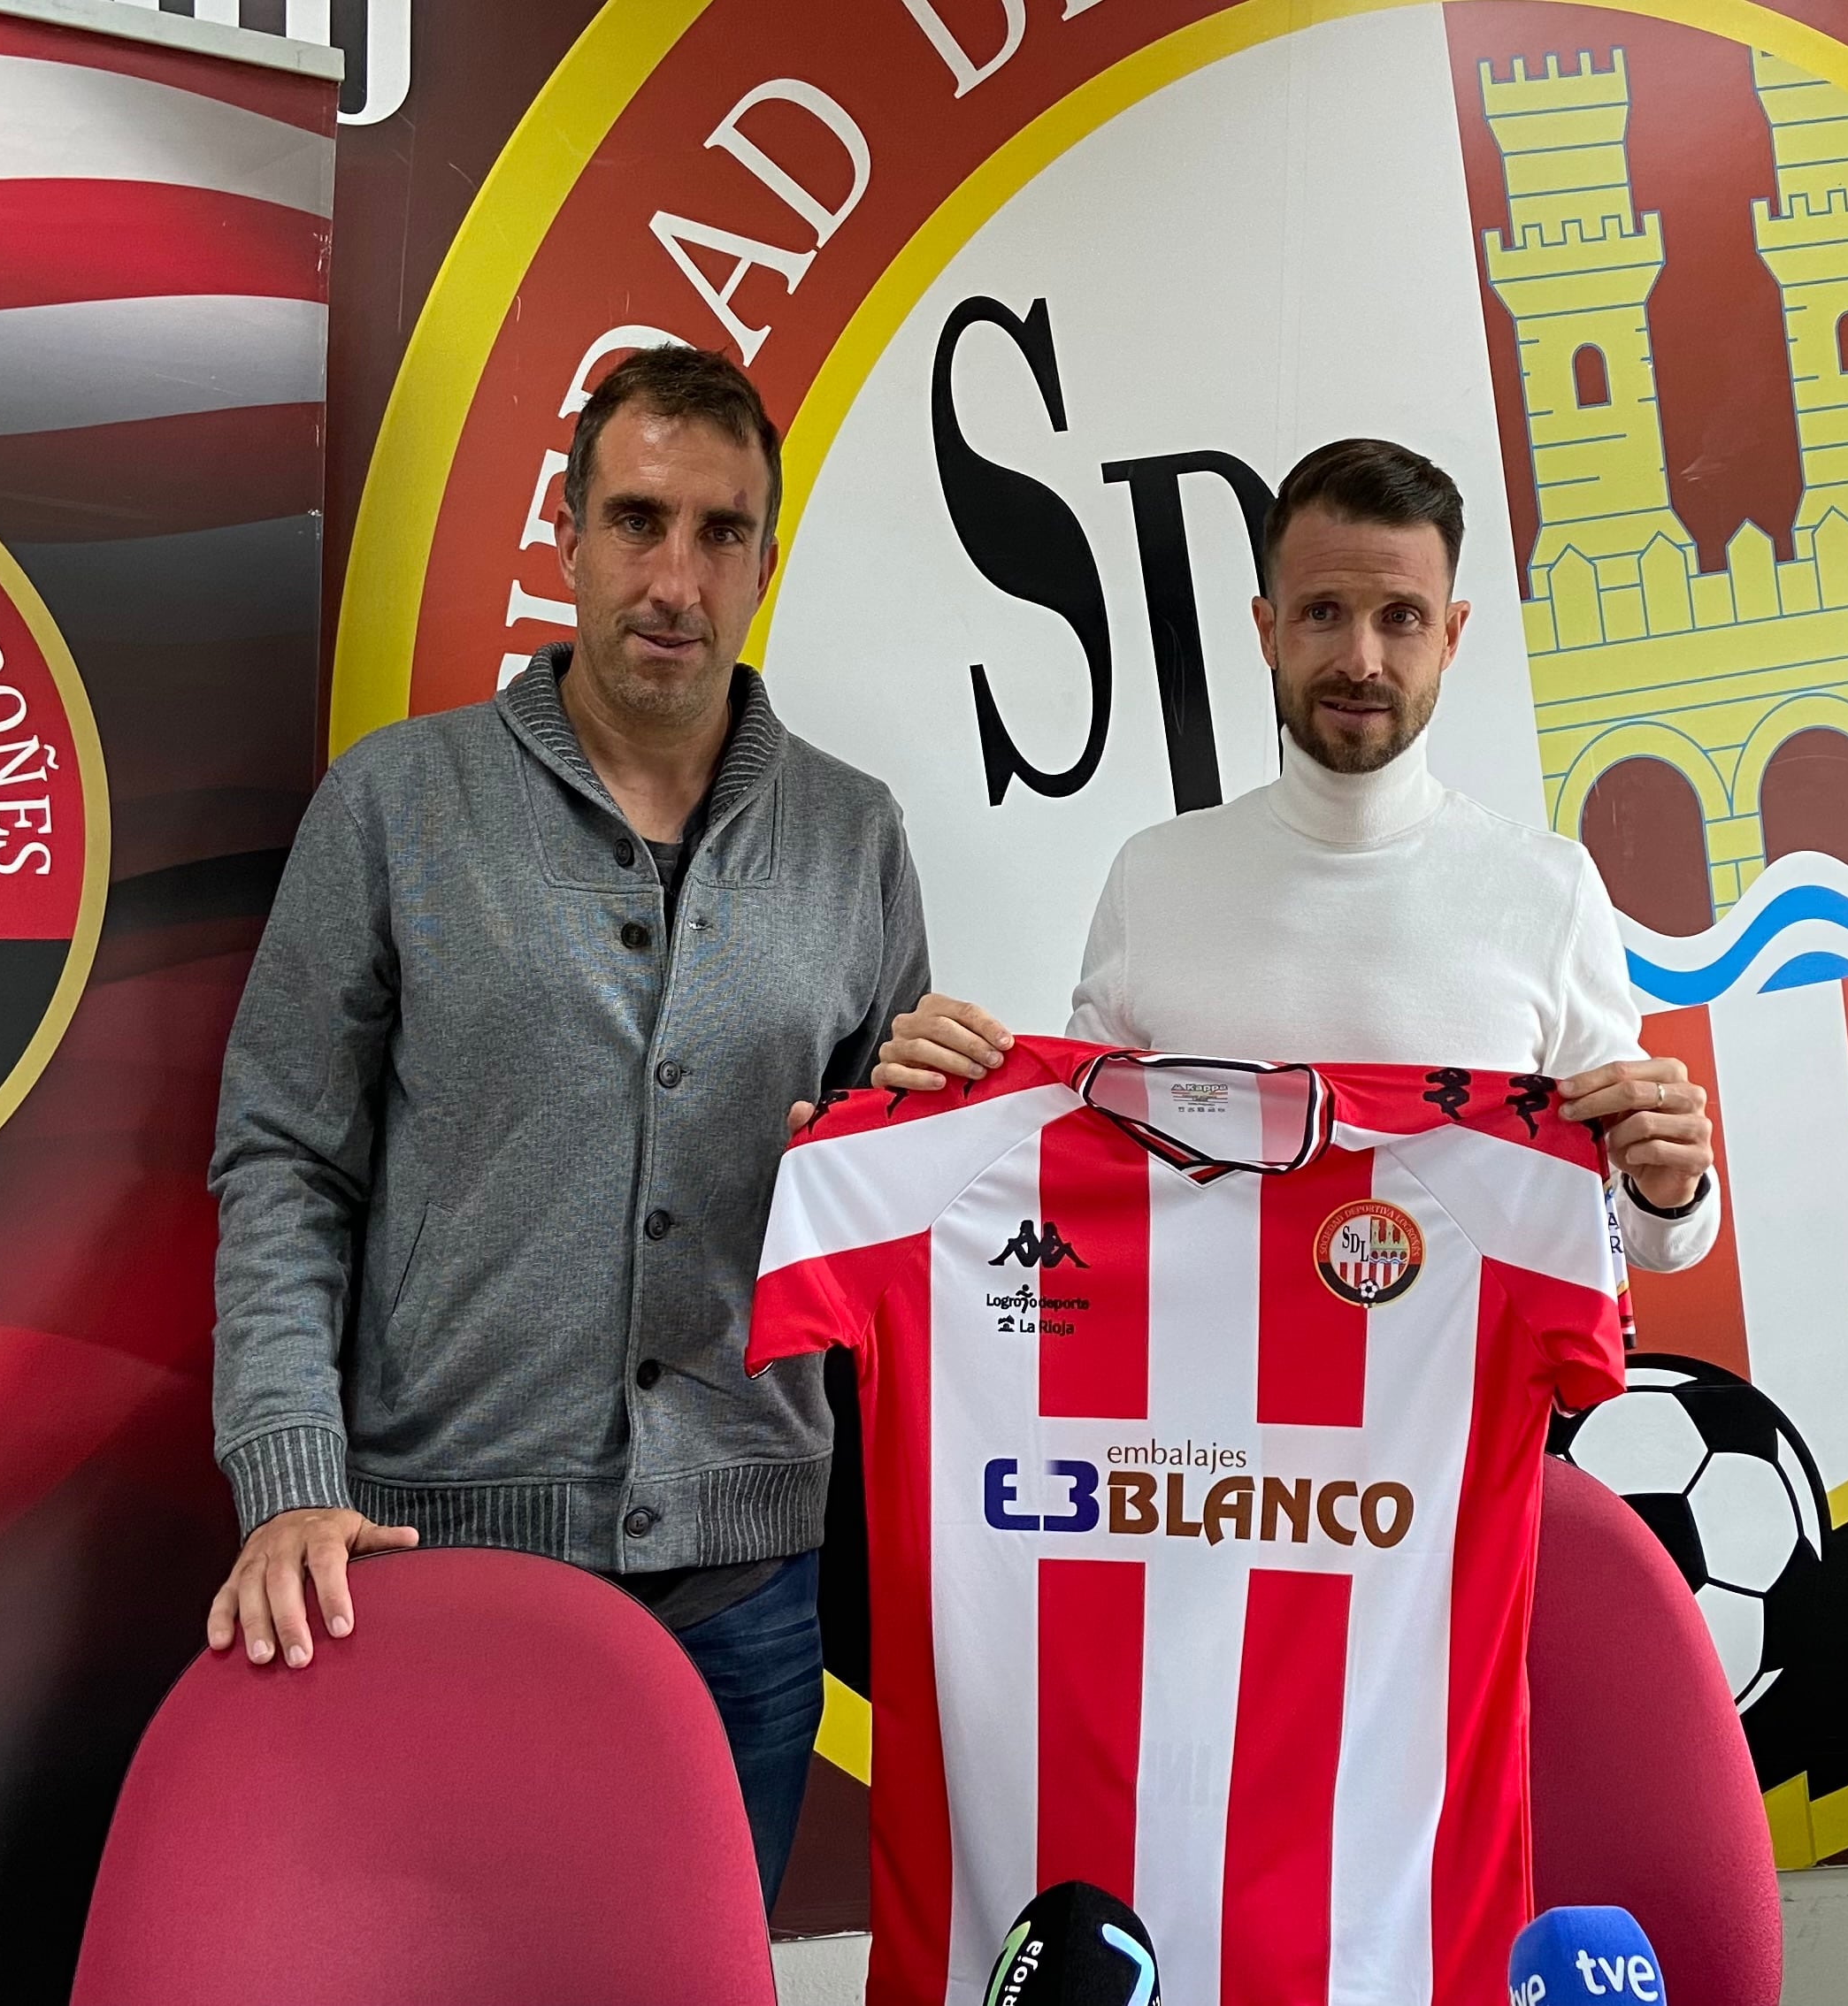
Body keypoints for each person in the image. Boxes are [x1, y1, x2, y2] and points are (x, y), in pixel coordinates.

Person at [204, 344, 929, 1907]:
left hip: (747, 1594)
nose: (675, 578)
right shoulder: (397, 805)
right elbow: (284, 1162)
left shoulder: (851, 832)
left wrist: (904, 1128)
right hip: (431, 1562)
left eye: (720, 533)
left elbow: (881, 1219)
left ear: (766, 560)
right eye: (638, 520)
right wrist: (285, 1474)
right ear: (566, 533)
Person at [876, 435, 1718, 1267]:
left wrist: (1671, 1185)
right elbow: (1073, 1175)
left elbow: (1648, 1239)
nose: (1361, 660)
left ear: (1452, 637)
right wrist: (944, 1105)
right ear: (1268, 630)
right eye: (1323, 613)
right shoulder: (1155, 877)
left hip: (1464, 1401)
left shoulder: (1550, 890)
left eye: (1402, 618)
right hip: (1202, 1392)